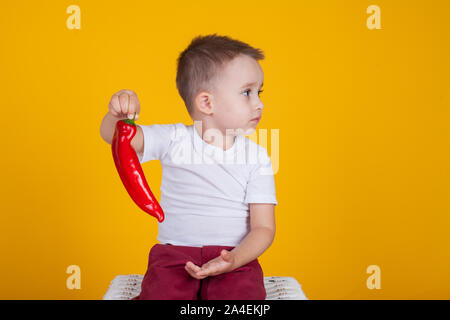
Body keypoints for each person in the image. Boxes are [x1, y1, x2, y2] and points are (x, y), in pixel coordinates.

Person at [100, 33, 278, 300]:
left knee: (243, 298)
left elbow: (264, 228)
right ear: (207, 102)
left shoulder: (258, 157)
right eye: (247, 92)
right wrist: (118, 116)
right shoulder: (173, 139)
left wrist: (235, 259)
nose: (259, 103)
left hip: (234, 256)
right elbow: (115, 137)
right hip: (175, 256)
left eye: (259, 92)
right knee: (161, 293)